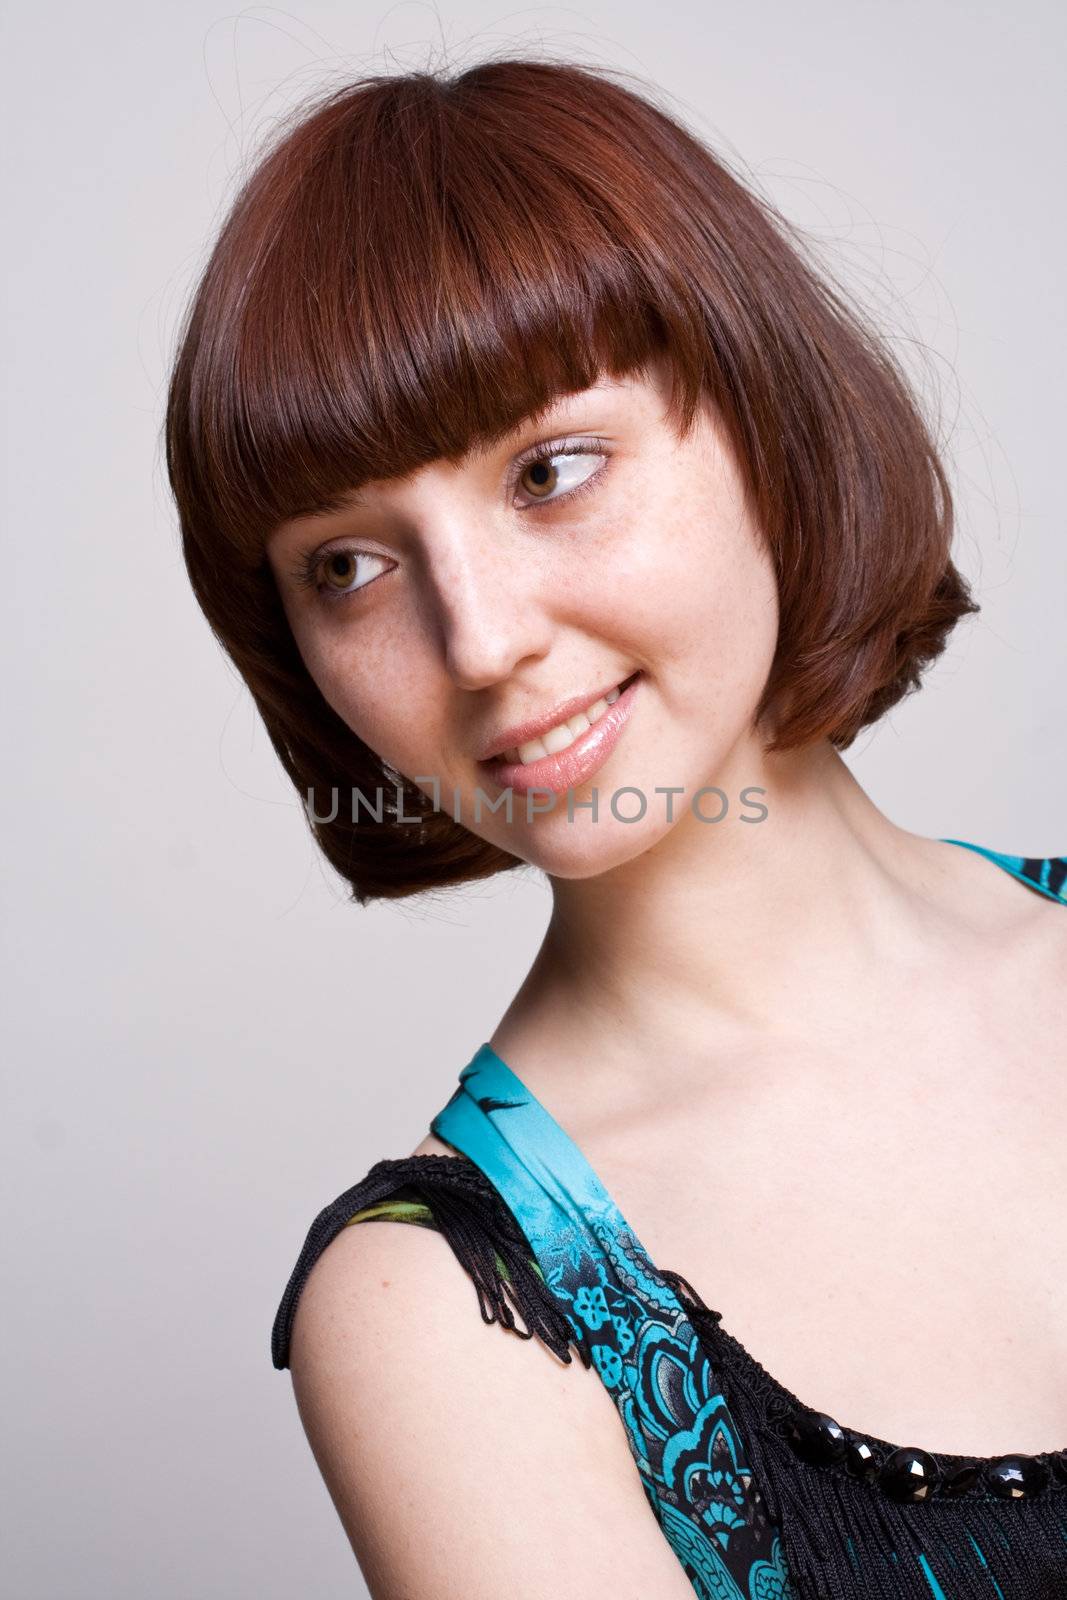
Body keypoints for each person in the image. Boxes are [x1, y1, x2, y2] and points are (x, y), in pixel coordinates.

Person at [165, 55, 1067, 1600]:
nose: (479, 639)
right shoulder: (448, 1314)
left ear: (764, 415)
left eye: (550, 469)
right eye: (348, 567)